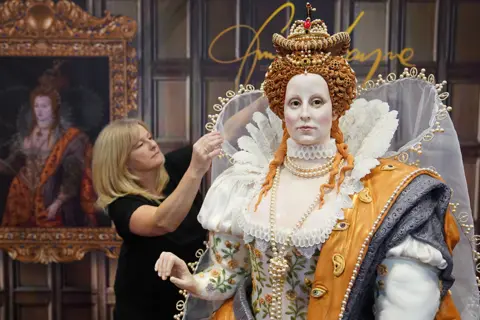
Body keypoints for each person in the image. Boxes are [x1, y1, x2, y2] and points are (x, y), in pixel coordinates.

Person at [155, 4, 479, 320]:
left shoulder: (365, 188)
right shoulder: (246, 185)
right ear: (281, 111)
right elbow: (231, 272)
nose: (305, 113)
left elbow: (398, 297)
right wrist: (194, 280)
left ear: (336, 108)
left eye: (317, 101)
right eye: (294, 103)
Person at [91, 118, 223, 319]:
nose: (152, 145)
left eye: (150, 138)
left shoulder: (172, 166)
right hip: (145, 306)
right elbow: (163, 222)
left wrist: (265, 98)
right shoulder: (121, 204)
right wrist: (196, 170)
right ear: (122, 160)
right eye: (140, 145)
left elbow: (226, 131)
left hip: (190, 294)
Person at [0, 64, 97, 227]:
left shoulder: (70, 139)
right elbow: (13, 165)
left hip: (52, 199)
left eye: (44, 106)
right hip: (19, 198)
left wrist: (56, 204)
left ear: (54, 109)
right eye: (36, 106)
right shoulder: (24, 136)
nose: (39, 111)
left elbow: (72, 177)